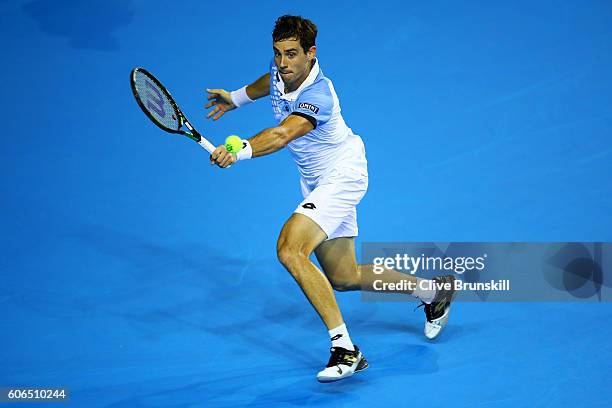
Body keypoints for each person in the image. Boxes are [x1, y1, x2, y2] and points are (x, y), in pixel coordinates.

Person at [206, 15, 456, 383]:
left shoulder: (318, 95)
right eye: (277, 54)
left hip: (343, 175)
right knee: (343, 276)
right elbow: (269, 85)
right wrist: (236, 98)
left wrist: (240, 150)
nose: (283, 63)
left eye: (291, 54)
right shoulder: (282, 72)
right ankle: (432, 291)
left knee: (290, 250)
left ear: (312, 53)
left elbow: (281, 135)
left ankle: (345, 349)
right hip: (315, 182)